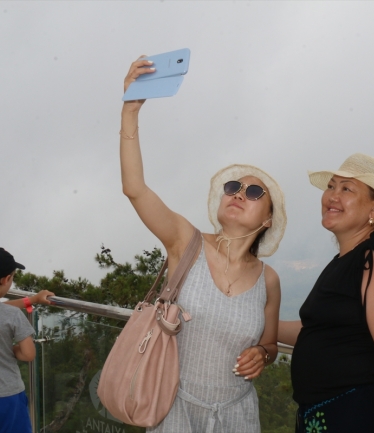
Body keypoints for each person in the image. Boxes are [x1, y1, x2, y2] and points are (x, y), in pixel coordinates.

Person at [119, 57, 285, 433]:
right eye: (234, 187)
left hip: (237, 416)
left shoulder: (269, 280)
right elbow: (135, 189)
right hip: (173, 409)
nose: (239, 193)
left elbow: (271, 346)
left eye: (254, 192)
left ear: (267, 220)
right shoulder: (185, 242)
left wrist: (262, 354)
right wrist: (130, 112)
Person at [279, 153, 374, 433]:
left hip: (359, 415)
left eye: (347, 189)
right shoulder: (347, 260)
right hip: (327, 416)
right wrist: (261, 325)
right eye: (331, 186)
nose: (332, 196)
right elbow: (322, 332)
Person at [0, 247, 53, 433]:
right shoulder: (12, 315)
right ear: (6, 280)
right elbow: (28, 354)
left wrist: (32, 300)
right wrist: (9, 348)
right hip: (7, 398)